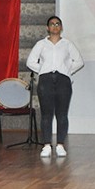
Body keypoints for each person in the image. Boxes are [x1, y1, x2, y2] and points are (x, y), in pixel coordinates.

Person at [26, 16, 84, 158]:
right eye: (52, 24)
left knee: (62, 114)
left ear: (61, 27)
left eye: (57, 24)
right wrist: (43, 69)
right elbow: (30, 61)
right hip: (45, 80)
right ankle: (46, 145)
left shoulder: (67, 44)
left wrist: (66, 70)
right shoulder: (41, 44)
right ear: (48, 27)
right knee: (46, 114)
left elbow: (79, 61)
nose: (55, 26)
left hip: (63, 80)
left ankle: (60, 145)